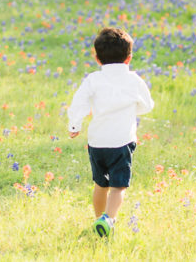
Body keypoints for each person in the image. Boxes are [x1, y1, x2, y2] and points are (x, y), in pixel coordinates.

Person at [67, 26, 154, 238]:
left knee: (100, 184)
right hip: (122, 142)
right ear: (129, 58)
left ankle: (99, 220)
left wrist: (74, 125)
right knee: (117, 187)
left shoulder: (93, 80)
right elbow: (147, 105)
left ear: (97, 59)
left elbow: (79, 103)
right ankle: (108, 219)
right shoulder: (134, 80)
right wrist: (134, 109)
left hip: (97, 142)